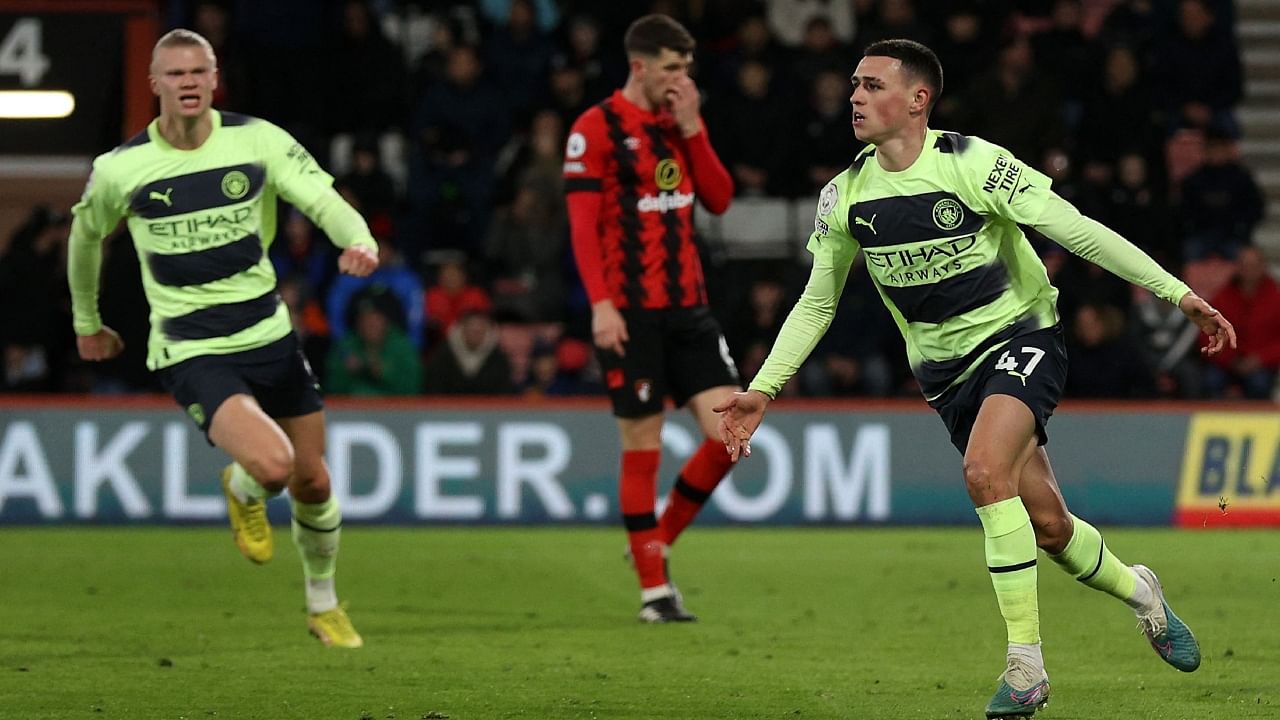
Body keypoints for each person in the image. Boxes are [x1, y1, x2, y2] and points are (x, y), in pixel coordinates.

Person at [714, 39, 1236, 718]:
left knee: (985, 475)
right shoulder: (845, 195)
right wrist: (765, 386)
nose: (855, 97)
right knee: (1049, 528)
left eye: (872, 86)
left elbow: (1074, 230)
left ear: (917, 100)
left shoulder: (975, 164)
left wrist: (1177, 293)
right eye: (854, 85)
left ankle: (1026, 669)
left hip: (1022, 338)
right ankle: (1144, 594)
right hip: (946, 377)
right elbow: (819, 301)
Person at [67, 29, 379, 648]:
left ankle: (323, 605)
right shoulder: (121, 169)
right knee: (273, 465)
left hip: (269, 335)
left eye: (198, 71)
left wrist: (359, 238)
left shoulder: (258, 141)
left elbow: (321, 198)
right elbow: (84, 240)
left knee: (313, 482)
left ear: (214, 79)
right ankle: (242, 485)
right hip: (192, 347)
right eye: (175, 73)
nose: (188, 82)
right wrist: (86, 322)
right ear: (155, 83)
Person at [563, 14, 740, 623]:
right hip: (630, 315)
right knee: (644, 447)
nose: (681, 79)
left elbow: (719, 198)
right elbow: (583, 229)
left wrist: (693, 129)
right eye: (671, 67)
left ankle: (654, 541)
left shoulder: (680, 123)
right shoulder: (596, 128)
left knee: (731, 435)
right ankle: (653, 591)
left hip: (689, 309)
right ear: (639, 66)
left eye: (687, 68)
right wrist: (601, 304)